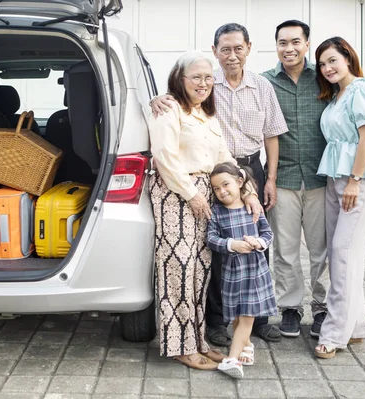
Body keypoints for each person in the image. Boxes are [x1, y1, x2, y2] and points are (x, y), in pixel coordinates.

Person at [151, 23, 287, 346]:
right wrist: (156, 98)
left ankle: (252, 320)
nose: (232, 55)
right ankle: (207, 329)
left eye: (238, 48)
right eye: (225, 49)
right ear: (215, 53)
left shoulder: (245, 93)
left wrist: (254, 186)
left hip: (239, 171)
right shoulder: (186, 99)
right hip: (197, 185)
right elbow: (165, 150)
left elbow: (258, 140)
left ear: (249, 48)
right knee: (202, 258)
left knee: (234, 252)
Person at [148, 50, 262, 370]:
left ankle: (197, 339)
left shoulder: (207, 114)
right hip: (176, 194)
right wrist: (191, 194)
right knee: (179, 272)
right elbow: (164, 157)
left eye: (208, 77)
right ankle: (180, 346)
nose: (203, 83)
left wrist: (248, 190)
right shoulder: (169, 109)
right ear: (180, 79)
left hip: (203, 195)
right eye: (196, 77)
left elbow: (224, 160)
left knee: (200, 272)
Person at [313, 37, 365, 359]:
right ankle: (355, 325)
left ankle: (334, 333)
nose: (327, 68)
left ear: (347, 58)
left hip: (357, 180)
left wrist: (355, 181)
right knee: (342, 253)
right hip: (334, 178)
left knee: (343, 253)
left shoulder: (359, 90)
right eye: (322, 64)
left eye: (333, 60)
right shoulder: (337, 95)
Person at [262, 20, 329, 338]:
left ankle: (322, 308)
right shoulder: (264, 82)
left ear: (306, 44)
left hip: (321, 178)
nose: (288, 48)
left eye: (295, 42)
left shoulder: (325, 78)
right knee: (285, 249)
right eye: (282, 42)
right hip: (284, 178)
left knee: (322, 249)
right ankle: (290, 308)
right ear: (276, 46)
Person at [207, 162, 276, 379]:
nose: (222, 191)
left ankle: (232, 359)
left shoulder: (252, 208)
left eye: (225, 184)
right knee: (237, 317)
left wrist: (258, 242)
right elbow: (210, 238)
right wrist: (231, 245)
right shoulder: (217, 212)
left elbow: (268, 233)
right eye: (216, 188)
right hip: (232, 273)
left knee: (247, 317)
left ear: (239, 182)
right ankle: (247, 346)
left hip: (254, 273)